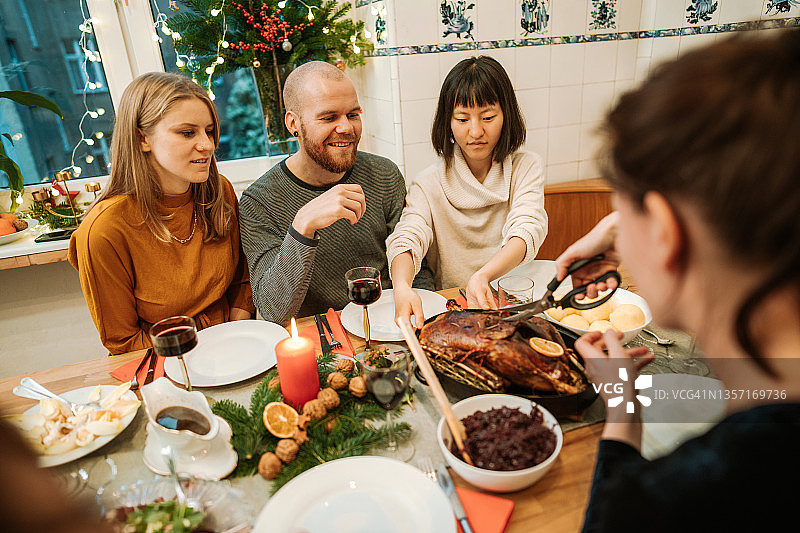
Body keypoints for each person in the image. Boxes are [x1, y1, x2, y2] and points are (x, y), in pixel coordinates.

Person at [553, 30, 800, 531]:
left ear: (666, 232)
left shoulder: (696, 494)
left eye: (620, 216)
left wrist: (621, 412)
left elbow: (617, 513)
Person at [69, 72, 254, 355]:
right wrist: (206, 351)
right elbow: (123, 343)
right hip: (165, 362)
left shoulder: (219, 191)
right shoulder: (104, 230)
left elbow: (242, 281)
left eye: (209, 131)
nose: (207, 145)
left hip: (233, 345)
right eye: (187, 133)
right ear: (142, 138)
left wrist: (236, 338)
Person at [239, 61, 432, 325]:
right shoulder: (259, 201)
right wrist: (303, 225)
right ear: (294, 123)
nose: (346, 128)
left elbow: (417, 267)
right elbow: (274, 312)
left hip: (390, 325)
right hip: (322, 337)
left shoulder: (384, 174)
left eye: (352, 115)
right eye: (329, 117)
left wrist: (426, 322)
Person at [386, 56, 547, 326]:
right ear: (447, 122)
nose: (475, 131)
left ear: (506, 116)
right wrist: (401, 286)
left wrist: (483, 275)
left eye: (488, 117)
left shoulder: (525, 167)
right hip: (454, 311)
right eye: (462, 118)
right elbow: (407, 237)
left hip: (514, 305)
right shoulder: (428, 182)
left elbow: (527, 229)